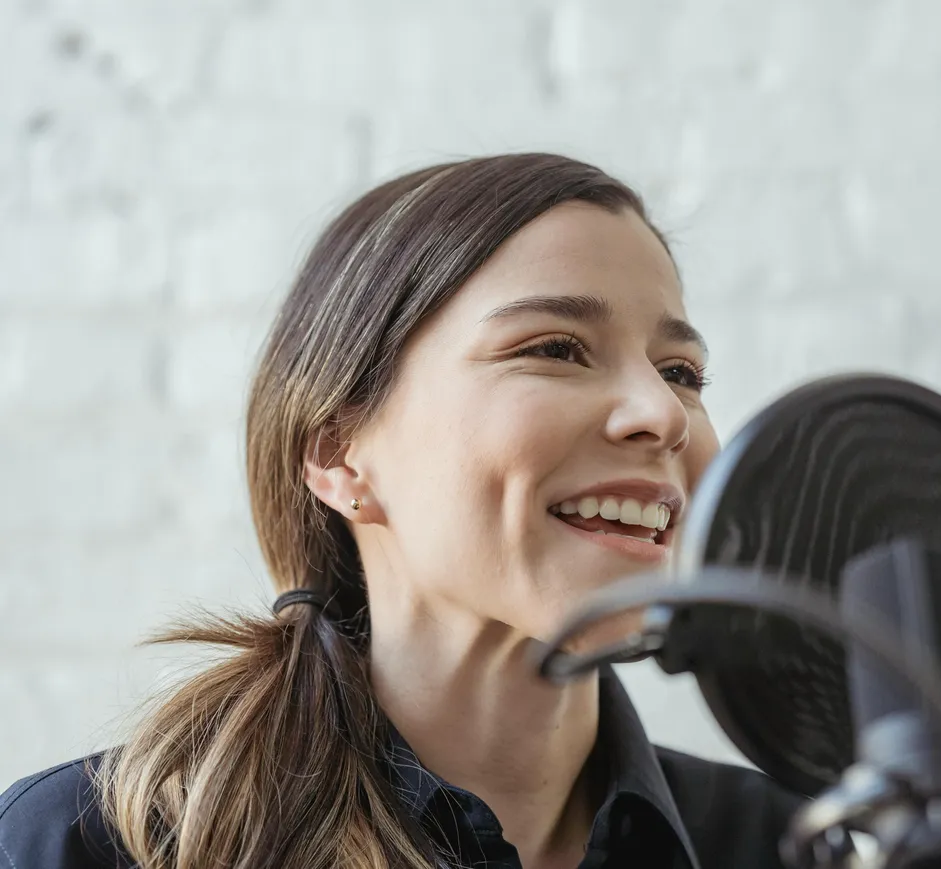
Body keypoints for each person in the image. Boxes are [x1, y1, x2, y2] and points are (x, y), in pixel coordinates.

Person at [0, 154, 804, 869]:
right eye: (555, 348)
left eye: (682, 372)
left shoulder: (791, 844)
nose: (662, 414)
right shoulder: (87, 845)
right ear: (340, 451)